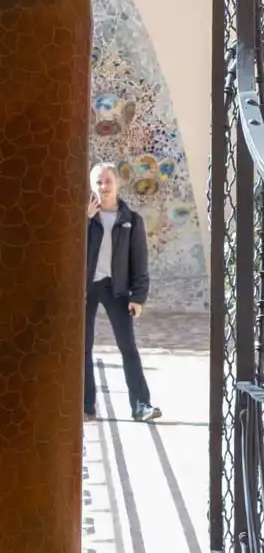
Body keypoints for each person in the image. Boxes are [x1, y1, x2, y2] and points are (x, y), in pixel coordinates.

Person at [84, 162, 160, 422]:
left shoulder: (131, 220)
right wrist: (83, 220)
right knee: (83, 347)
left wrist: (138, 297)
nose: (103, 187)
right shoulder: (82, 217)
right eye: (98, 182)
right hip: (85, 288)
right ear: (91, 186)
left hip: (115, 288)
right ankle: (86, 407)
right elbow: (70, 251)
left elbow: (139, 260)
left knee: (127, 346)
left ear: (117, 184)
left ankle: (141, 405)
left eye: (107, 181)